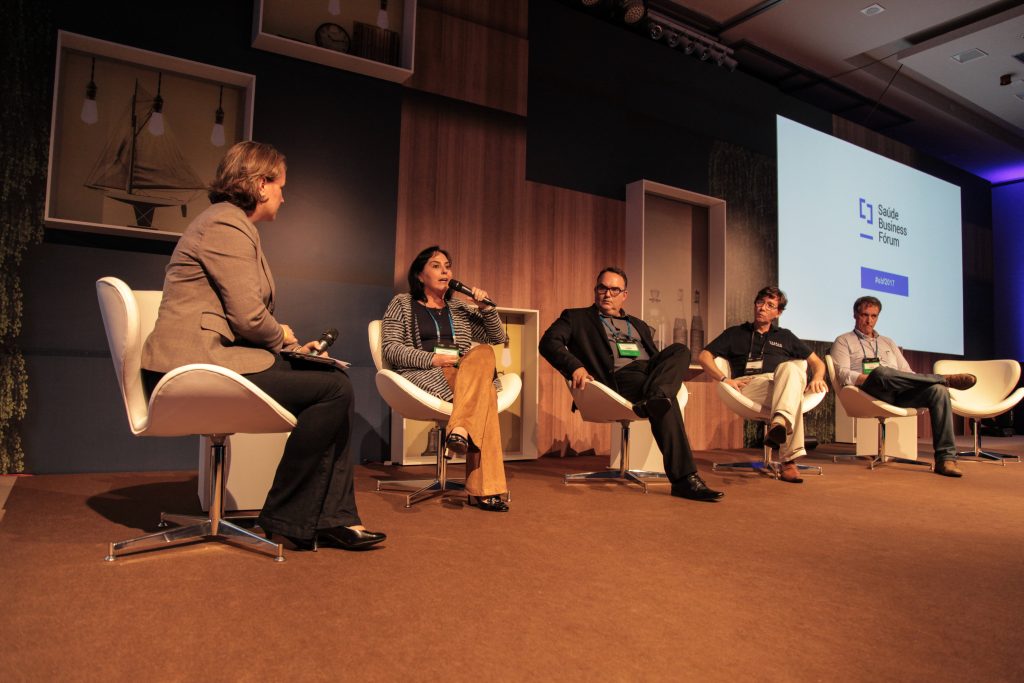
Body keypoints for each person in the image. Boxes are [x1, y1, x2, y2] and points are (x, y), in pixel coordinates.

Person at [141, 141, 385, 551]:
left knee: (333, 382)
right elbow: (249, 318)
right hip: (190, 368)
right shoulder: (227, 224)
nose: (284, 196)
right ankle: (291, 515)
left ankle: (329, 519)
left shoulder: (227, 223)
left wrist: (291, 350)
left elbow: (240, 318)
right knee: (333, 388)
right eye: (280, 186)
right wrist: (284, 338)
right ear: (259, 184)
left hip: (211, 359)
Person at [539, 267, 723, 502]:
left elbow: (657, 358)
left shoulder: (638, 325)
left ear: (624, 295)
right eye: (603, 288)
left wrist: (660, 381)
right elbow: (548, 343)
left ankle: (656, 397)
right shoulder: (576, 318)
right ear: (595, 290)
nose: (608, 294)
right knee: (666, 401)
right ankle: (685, 479)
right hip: (618, 379)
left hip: (650, 377)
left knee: (681, 350)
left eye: (614, 290)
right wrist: (575, 366)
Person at [381, 246, 511, 512]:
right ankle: (484, 491)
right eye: (436, 265)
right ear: (420, 275)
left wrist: (486, 309)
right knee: (485, 395)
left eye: (448, 266)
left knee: (484, 352)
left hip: (463, 372)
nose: (445, 271)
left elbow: (497, 338)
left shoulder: (459, 307)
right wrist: (433, 359)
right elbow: (391, 349)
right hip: (427, 372)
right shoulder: (402, 303)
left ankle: (459, 430)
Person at [830, 295, 976, 477]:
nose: (869, 321)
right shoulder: (843, 341)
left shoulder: (888, 342)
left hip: (899, 391)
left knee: (938, 392)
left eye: (874, 316)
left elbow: (907, 372)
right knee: (881, 373)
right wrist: (869, 378)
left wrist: (913, 383)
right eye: (865, 315)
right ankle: (941, 379)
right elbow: (842, 374)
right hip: (869, 391)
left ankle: (946, 459)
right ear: (855, 315)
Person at [698, 286, 827, 484]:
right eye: (760, 303)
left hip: (782, 382)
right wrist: (724, 379)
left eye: (770, 305)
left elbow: (817, 362)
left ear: (778, 313)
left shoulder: (785, 336)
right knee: (792, 394)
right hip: (751, 385)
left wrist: (817, 377)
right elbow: (704, 356)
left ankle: (779, 423)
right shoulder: (735, 333)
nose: (762, 308)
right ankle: (789, 461)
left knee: (791, 368)